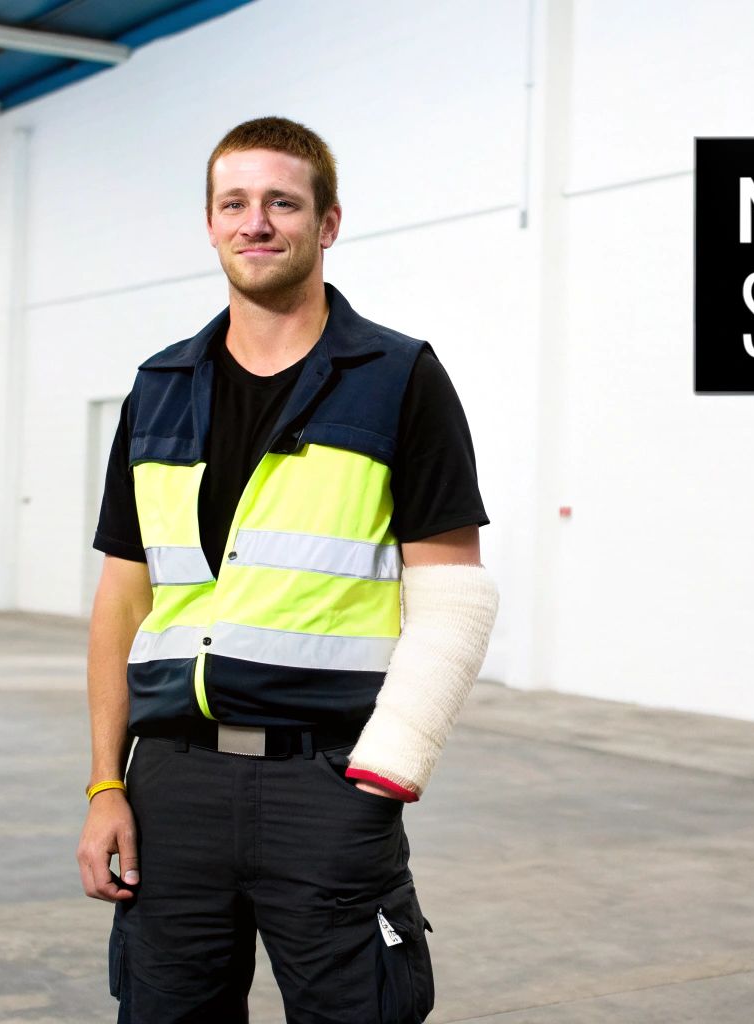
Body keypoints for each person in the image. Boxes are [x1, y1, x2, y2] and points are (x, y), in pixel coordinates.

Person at [75, 115, 499, 1023]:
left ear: (327, 223)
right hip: (171, 788)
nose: (255, 222)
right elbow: (124, 596)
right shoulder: (159, 387)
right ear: (211, 223)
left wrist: (383, 774)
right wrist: (107, 784)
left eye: (281, 202)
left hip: (326, 784)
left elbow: (455, 599)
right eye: (234, 203)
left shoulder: (397, 378)